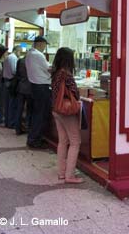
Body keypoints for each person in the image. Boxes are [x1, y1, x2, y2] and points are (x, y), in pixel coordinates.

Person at [51, 47, 83, 184]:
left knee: (63, 141)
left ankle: (62, 173)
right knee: (75, 141)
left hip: (56, 110)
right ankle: (70, 175)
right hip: (67, 110)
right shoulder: (67, 74)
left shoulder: (56, 73)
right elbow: (75, 93)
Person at [25, 36, 51, 148]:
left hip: (34, 86)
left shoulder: (29, 54)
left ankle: (34, 137)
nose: (45, 48)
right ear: (40, 44)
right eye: (45, 45)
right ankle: (35, 139)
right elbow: (49, 68)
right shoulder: (38, 55)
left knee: (36, 113)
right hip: (42, 87)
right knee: (40, 114)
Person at [2, 45, 21, 128]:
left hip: (6, 81)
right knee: (12, 103)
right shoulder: (13, 58)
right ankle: (11, 122)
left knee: (8, 103)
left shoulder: (8, 57)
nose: (20, 54)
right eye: (20, 52)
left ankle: (7, 121)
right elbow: (14, 70)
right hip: (11, 82)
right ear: (16, 50)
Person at [15, 56, 33, 135]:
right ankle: (27, 126)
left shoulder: (20, 61)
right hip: (30, 88)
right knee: (29, 109)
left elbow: (17, 73)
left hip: (21, 87)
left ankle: (17, 128)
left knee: (19, 109)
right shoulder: (32, 62)